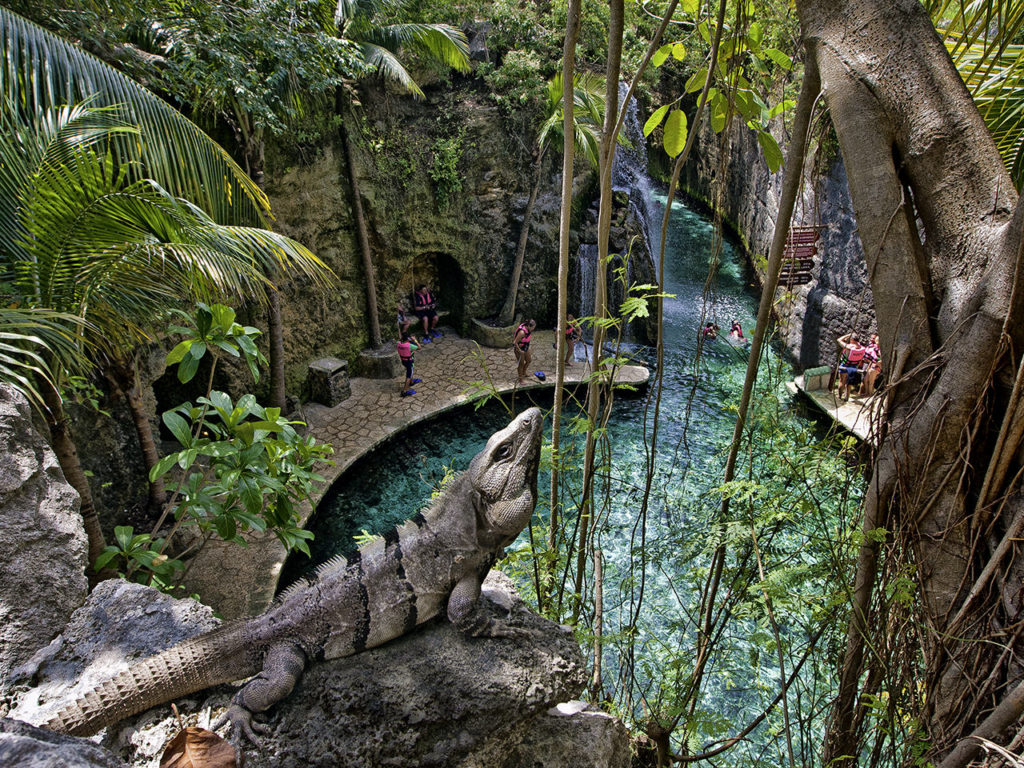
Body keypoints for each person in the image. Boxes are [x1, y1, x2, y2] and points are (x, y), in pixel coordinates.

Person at [835, 331, 866, 400]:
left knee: (841, 381)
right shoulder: (861, 347)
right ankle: (847, 397)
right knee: (849, 382)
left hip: (845, 366)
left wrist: (849, 334)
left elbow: (839, 340)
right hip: (854, 366)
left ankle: (839, 396)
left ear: (851, 339)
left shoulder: (849, 347)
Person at [513, 319, 536, 383]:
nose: (533, 329)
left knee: (529, 360)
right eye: (533, 327)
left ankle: (524, 372)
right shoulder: (522, 332)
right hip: (519, 349)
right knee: (521, 364)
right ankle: (520, 379)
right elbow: (515, 342)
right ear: (528, 326)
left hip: (525, 346)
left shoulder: (528, 329)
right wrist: (520, 351)